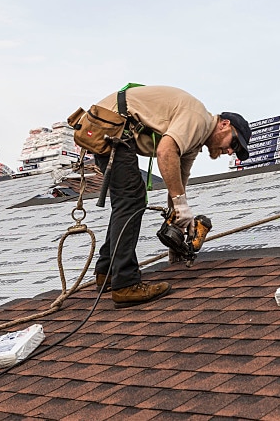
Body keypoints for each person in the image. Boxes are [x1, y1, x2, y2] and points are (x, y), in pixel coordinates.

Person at [92, 85, 251, 308]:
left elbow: (177, 180)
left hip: (109, 127)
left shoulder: (193, 143)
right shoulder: (199, 118)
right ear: (224, 124)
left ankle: (107, 272)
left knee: (128, 201)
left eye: (236, 151)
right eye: (234, 143)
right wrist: (179, 205)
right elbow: (165, 152)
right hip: (111, 127)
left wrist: (179, 216)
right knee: (132, 200)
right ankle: (125, 284)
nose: (231, 152)